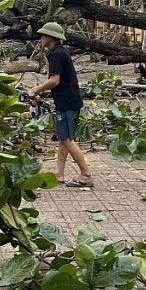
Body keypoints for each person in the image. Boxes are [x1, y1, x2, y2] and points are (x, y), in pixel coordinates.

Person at [28, 22, 93, 188]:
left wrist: (36, 89)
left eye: (43, 36)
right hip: (69, 100)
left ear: (49, 37)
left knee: (67, 139)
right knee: (64, 139)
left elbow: (54, 80)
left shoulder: (56, 54)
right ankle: (59, 173)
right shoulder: (59, 52)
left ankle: (86, 174)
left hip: (67, 102)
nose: (41, 39)